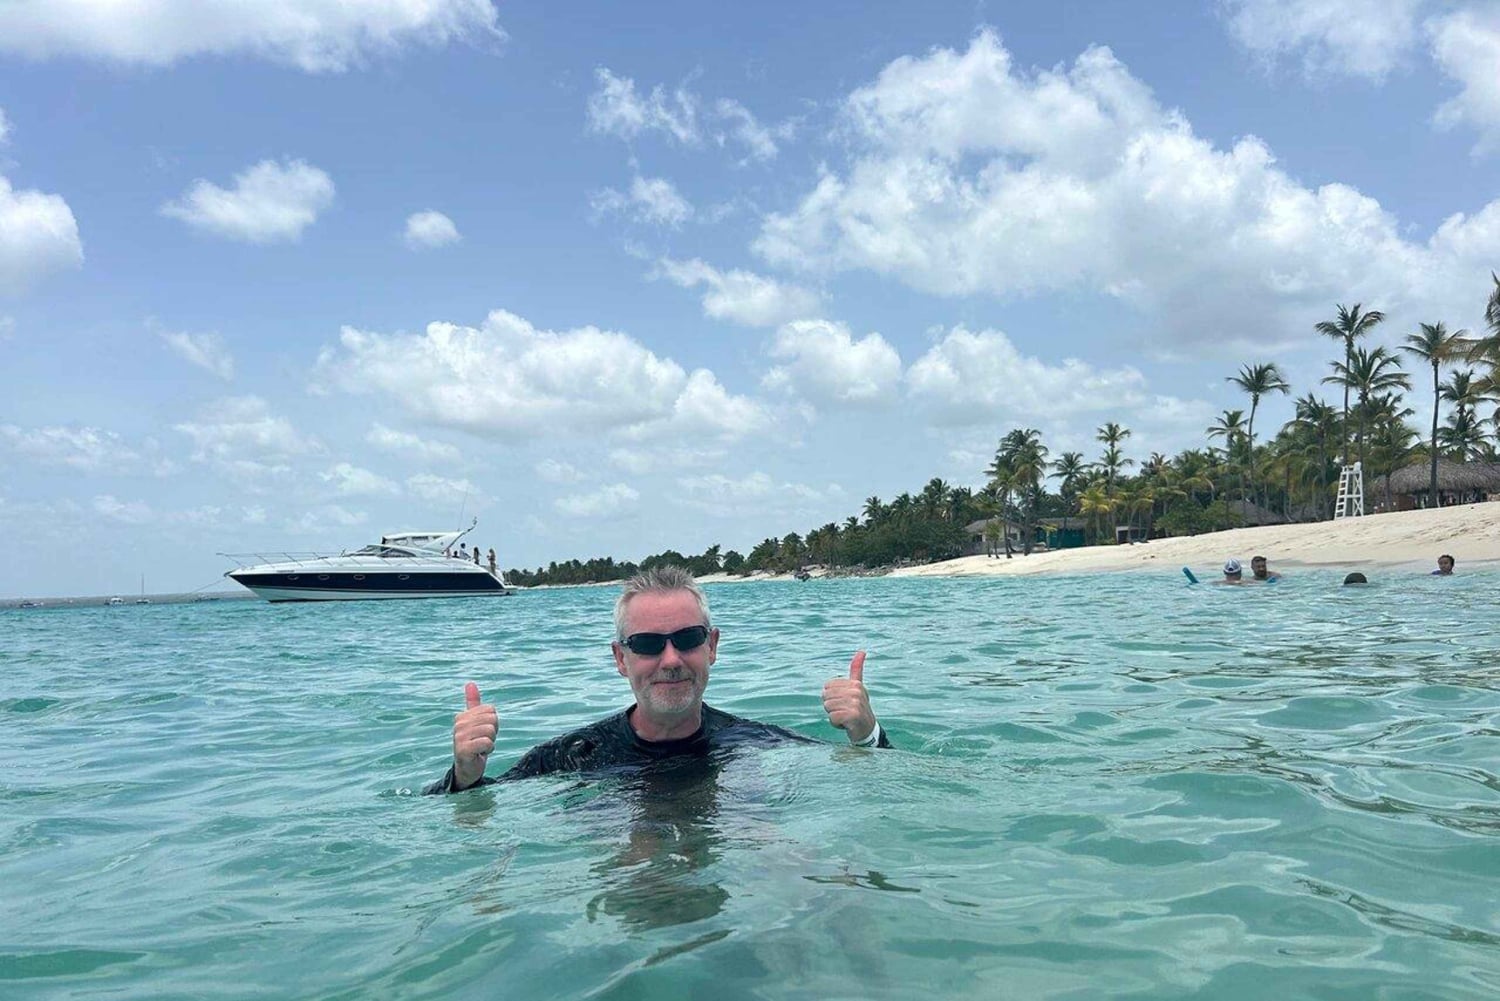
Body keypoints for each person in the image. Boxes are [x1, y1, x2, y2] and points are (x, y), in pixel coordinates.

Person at [425, 566, 889, 793]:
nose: (670, 659)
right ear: (621, 659)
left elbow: (885, 784)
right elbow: (469, 813)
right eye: (648, 644)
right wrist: (464, 776)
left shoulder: (756, 741)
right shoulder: (569, 757)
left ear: (712, 647)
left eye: (687, 638)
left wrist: (868, 735)